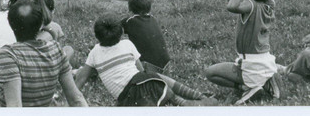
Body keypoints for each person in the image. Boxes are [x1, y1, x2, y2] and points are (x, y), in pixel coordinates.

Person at [76, 14, 210, 106]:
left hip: (128, 100)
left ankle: (189, 101)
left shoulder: (94, 53)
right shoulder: (127, 44)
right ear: (121, 32)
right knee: (161, 84)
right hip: (149, 88)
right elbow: (141, 71)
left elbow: (81, 80)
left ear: (97, 35)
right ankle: (193, 98)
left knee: (153, 85)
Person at [205, 0, 279, 103]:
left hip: (251, 65)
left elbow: (231, 6)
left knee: (210, 72)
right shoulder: (270, 4)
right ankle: (264, 81)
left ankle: (245, 86)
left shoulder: (250, 5)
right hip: (266, 62)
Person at [122, 0, 170, 74]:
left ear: (130, 7)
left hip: (148, 67)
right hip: (166, 65)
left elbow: (112, 28)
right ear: (149, 6)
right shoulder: (153, 19)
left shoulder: (130, 21)